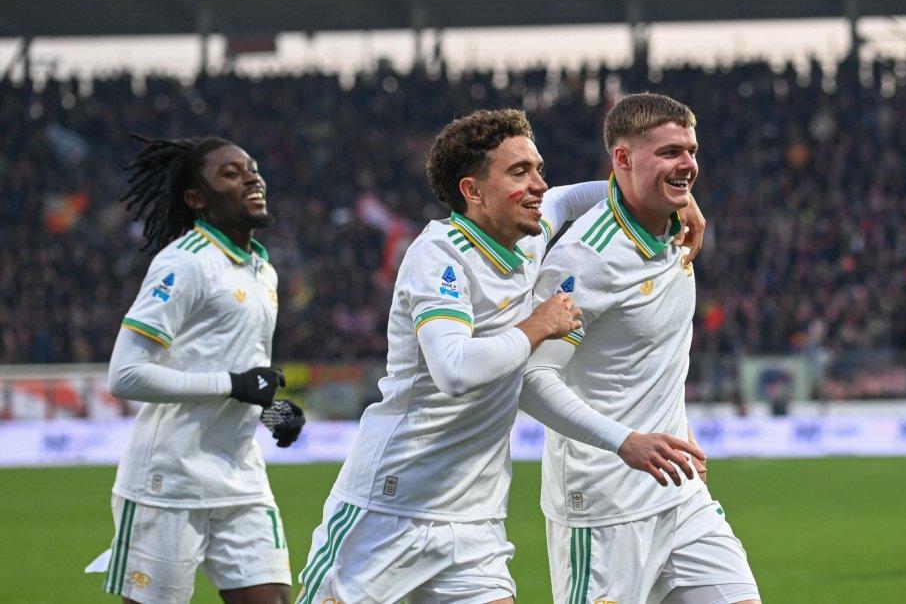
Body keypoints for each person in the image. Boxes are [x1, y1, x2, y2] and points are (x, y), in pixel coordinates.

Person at [297, 109, 706, 604]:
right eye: (519, 173)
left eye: (537, 168)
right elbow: (454, 370)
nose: (538, 184)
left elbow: (571, 197)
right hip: (388, 508)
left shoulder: (528, 239)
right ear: (473, 191)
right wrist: (536, 326)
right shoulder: (439, 254)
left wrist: (676, 203)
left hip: (475, 522)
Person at [525, 93, 759, 604]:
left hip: (679, 493)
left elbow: (644, 360)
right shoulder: (586, 260)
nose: (688, 165)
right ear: (623, 160)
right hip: (604, 506)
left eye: (691, 151)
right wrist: (626, 440)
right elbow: (532, 381)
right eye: (670, 152)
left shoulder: (678, 227)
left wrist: (678, 427)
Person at [90, 136, 304, 604]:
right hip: (168, 481)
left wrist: (270, 410)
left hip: (239, 476)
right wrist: (235, 385)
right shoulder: (184, 264)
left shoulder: (261, 270)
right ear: (196, 199)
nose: (252, 177)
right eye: (231, 173)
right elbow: (124, 375)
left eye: (252, 167)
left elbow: (241, 374)